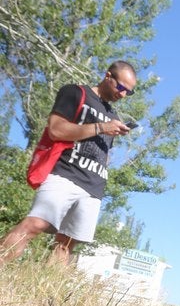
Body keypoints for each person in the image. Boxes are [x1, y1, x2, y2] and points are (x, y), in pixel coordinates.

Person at [0, 61, 135, 264]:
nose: (123, 94)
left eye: (128, 92)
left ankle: (49, 295)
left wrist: (109, 130)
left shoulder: (112, 116)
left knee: (66, 244)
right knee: (34, 224)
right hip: (65, 174)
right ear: (108, 76)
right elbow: (56, 130)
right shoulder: (75, 93)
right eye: (121, 87)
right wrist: (101, 127)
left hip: (93, 186)